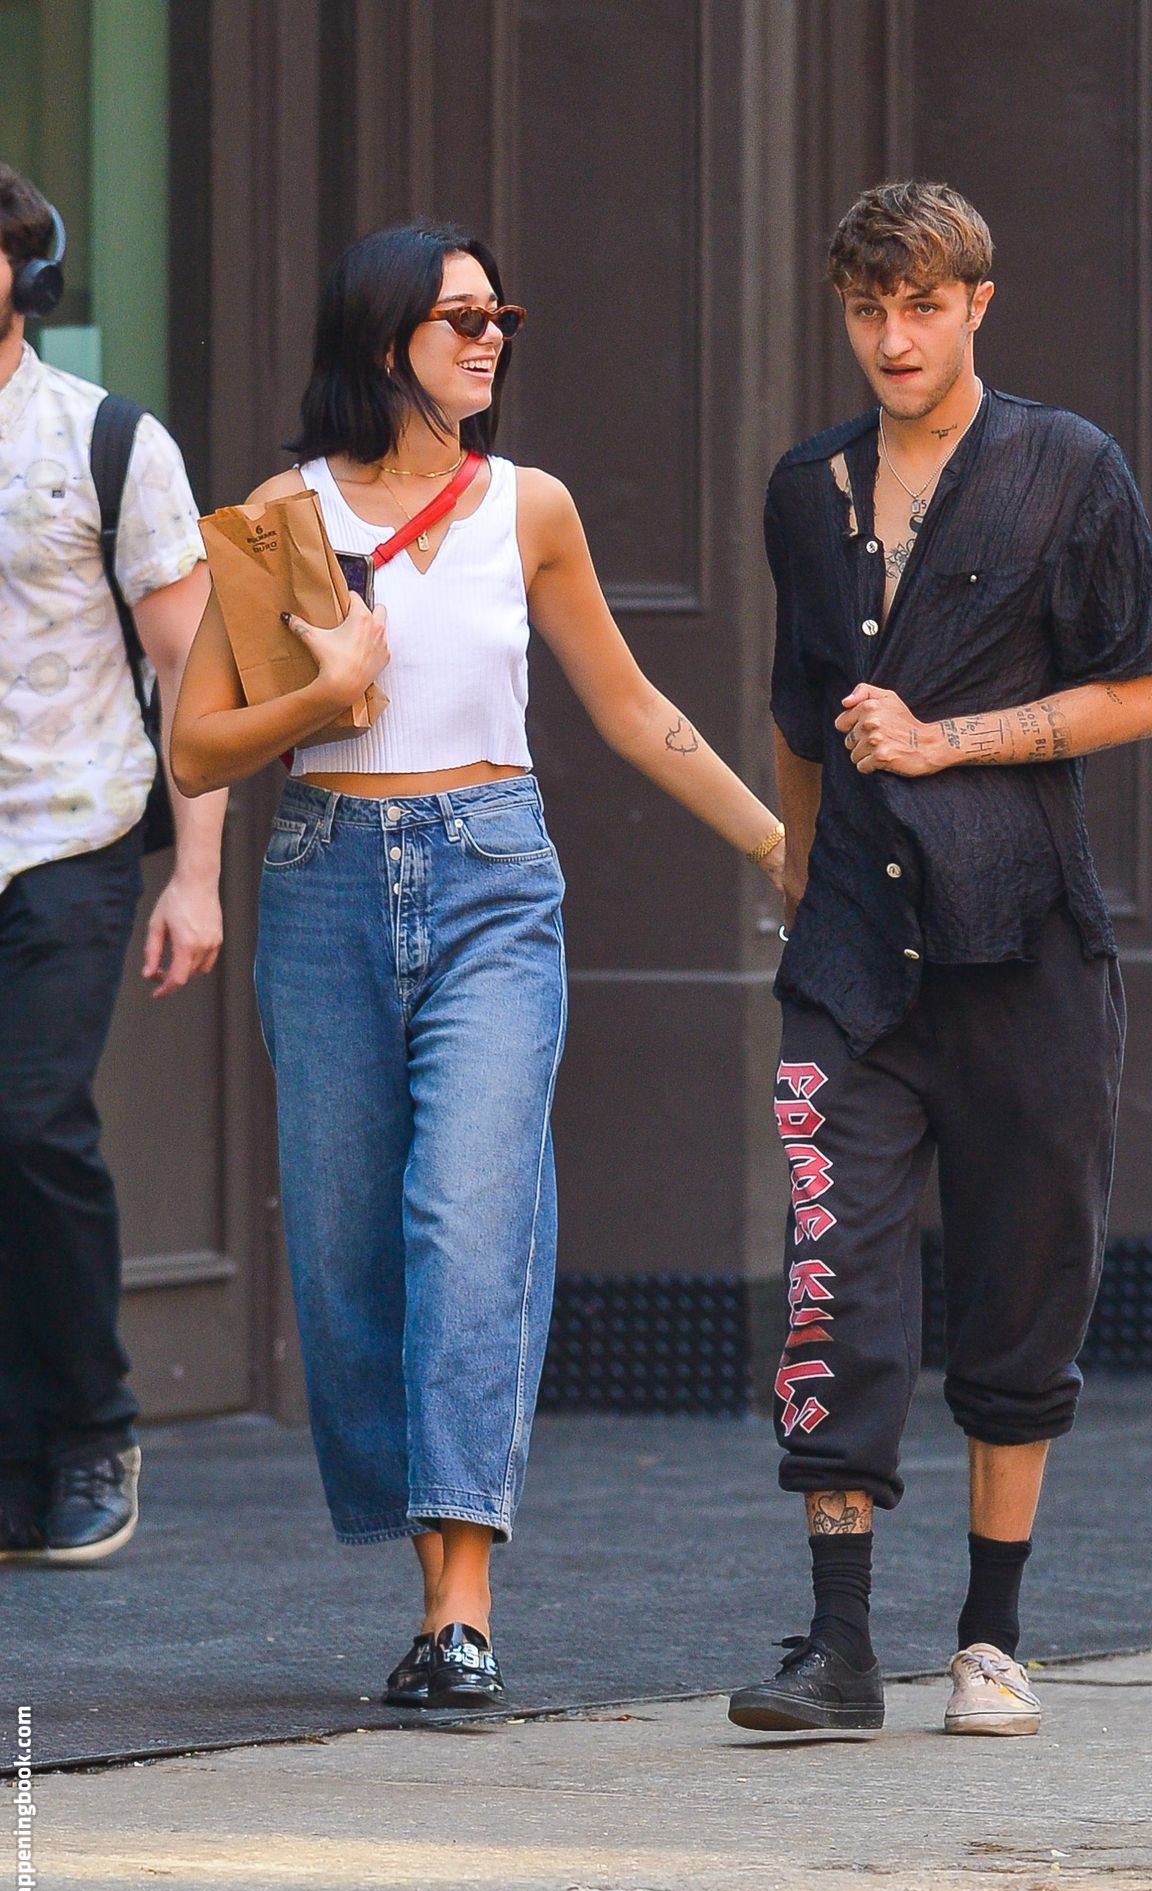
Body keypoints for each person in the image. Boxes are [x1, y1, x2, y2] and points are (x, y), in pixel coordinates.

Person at [171, 221, 786, 1709]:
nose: (490, 336)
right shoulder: (279, 518)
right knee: (347, 1247)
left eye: (499, 313)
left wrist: (782, 848)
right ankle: (423, 1569)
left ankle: (463, 1610)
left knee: (470, 1212)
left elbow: (632, 708)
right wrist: (323, 689)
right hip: (324, 883)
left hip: (494, 881)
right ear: (384, 337)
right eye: (460, 317)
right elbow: (196, 748)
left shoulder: (532, 506)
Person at [727, 181, 1152, 1738]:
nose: (893, 339)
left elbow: (1137, 691)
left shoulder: (1067, 468)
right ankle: (834, 1644)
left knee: (1020, 1279)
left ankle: (990, 1637)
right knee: (833, 1281)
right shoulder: (806, 489)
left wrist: (943, 741)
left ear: (976, 302)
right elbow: (799, 714)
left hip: (1025, 946)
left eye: (920, 306)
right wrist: (799, 873)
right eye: (867, 309)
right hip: (852, 962)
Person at [0, 165, 225, 1565]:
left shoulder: (107, 441)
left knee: (30, 1127)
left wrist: (195, 876)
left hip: (65, 836)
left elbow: (193, 670)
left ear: (24, 274)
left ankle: (92, 1429)